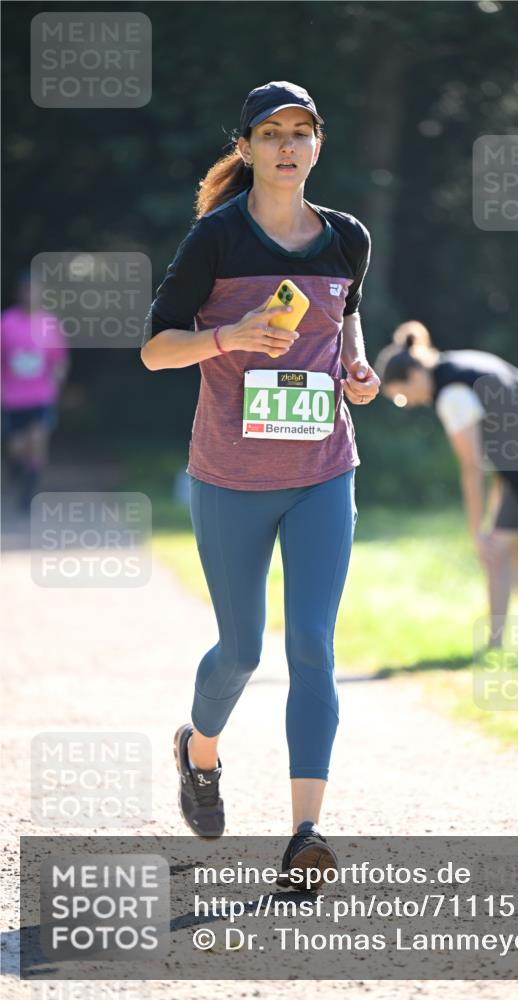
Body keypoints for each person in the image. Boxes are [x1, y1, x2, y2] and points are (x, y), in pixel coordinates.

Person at [140, 81, 380, 887]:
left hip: (321, 470)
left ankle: (305, 834)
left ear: (318, 145)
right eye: (270, 133)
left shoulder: (346, 237)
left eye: (301, 132)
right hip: (231, 475)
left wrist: (357, 367)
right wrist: (229, 336)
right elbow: (155, 350)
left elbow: (344, 320)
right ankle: (198, 752)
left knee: (312, 646)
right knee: (241, 650)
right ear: (244, 147)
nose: (286, 146)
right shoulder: (215, 240)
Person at [374, 321, 518, 653]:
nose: (407, 403)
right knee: (517, 548)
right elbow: (501, 443)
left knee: (497, 550)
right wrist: (492, 513)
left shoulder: (451, 393)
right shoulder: (460, 363)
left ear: (413, 375)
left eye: (400, 396)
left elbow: (472, 469)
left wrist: (476, 532)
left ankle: (495, 644)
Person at [1, 269, 69, 512]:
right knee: (17, 447)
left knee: (37, 442)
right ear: (19, 293)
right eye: (26, 290)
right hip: (13, 398)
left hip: (41, 396)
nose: (30, 295)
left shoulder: (49, 324)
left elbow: (59, 359)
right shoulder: (6, 323)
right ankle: (16, 469)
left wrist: (56, 382)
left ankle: (28, 496)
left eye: (35, 291)